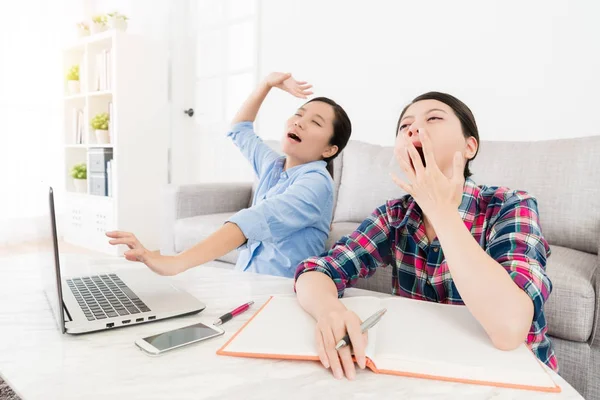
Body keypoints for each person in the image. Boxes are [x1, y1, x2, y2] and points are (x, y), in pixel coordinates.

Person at [294, 92, 556, 380]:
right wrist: (330, 311)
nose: (413, 129)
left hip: (511, 377)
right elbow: (317, 270)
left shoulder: (510, 205)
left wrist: (442, 211)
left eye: (433, 118)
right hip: (426, 370)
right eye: (405, 125)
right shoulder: (395, 215)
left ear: (469, 146)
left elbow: (509, 329)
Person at [106, 72, 352, 278]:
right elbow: (239, 129)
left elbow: (256, 219)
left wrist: (176, 262)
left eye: (315, 123)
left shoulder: (317, 183)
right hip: (245, 279)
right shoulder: (273, 166)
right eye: (299, 114)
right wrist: (266, 84)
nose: (299, 123)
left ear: (329, 150)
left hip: (281, 292)